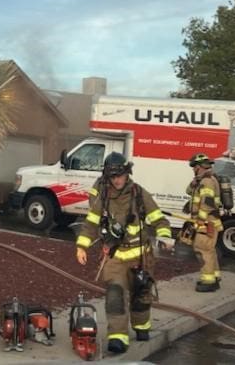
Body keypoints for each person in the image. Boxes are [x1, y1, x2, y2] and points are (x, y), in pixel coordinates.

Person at [75, 152, 173, 355]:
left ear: (127, 173)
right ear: (108, 177)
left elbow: (159, 219)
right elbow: (91, 223)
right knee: (115, 295)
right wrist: (81, 246)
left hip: (141, 257)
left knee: (141, 295)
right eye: (113, 177)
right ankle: (118, 338)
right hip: (115, 256)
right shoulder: (103, 196)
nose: (117, 180)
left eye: (120, 175)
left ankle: (142, 327)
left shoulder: (139, 194)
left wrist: (165, 237)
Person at [185, 153, 223, 291]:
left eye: (194, 167)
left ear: (199, 166)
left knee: (202, 250)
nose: (193, 169)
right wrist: (194, 182)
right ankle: (215, 276)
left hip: (206, 222)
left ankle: (208, 282)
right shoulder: (202, 180)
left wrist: (200, 221)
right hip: (210, 222)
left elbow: (207, 203)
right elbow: (189, 191)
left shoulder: (207, 182)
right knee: (209, 250)